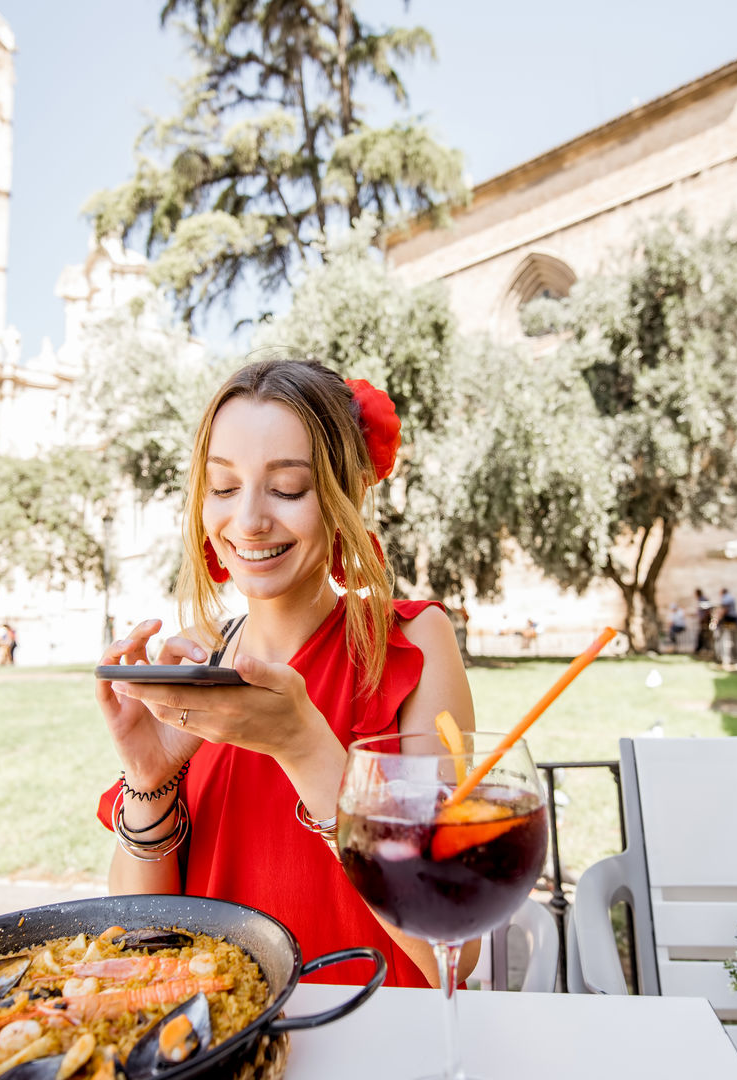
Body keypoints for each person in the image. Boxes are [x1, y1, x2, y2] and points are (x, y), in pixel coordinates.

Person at [94, 357, 469, 990]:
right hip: (223, 1046)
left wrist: (303, 746)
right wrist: (148, 778)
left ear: (341, 497)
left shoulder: (410, 643)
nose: (248, 520)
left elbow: (451, 943)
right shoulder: (196, 665)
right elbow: (142, 939)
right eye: (223, 486)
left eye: (288, 488)